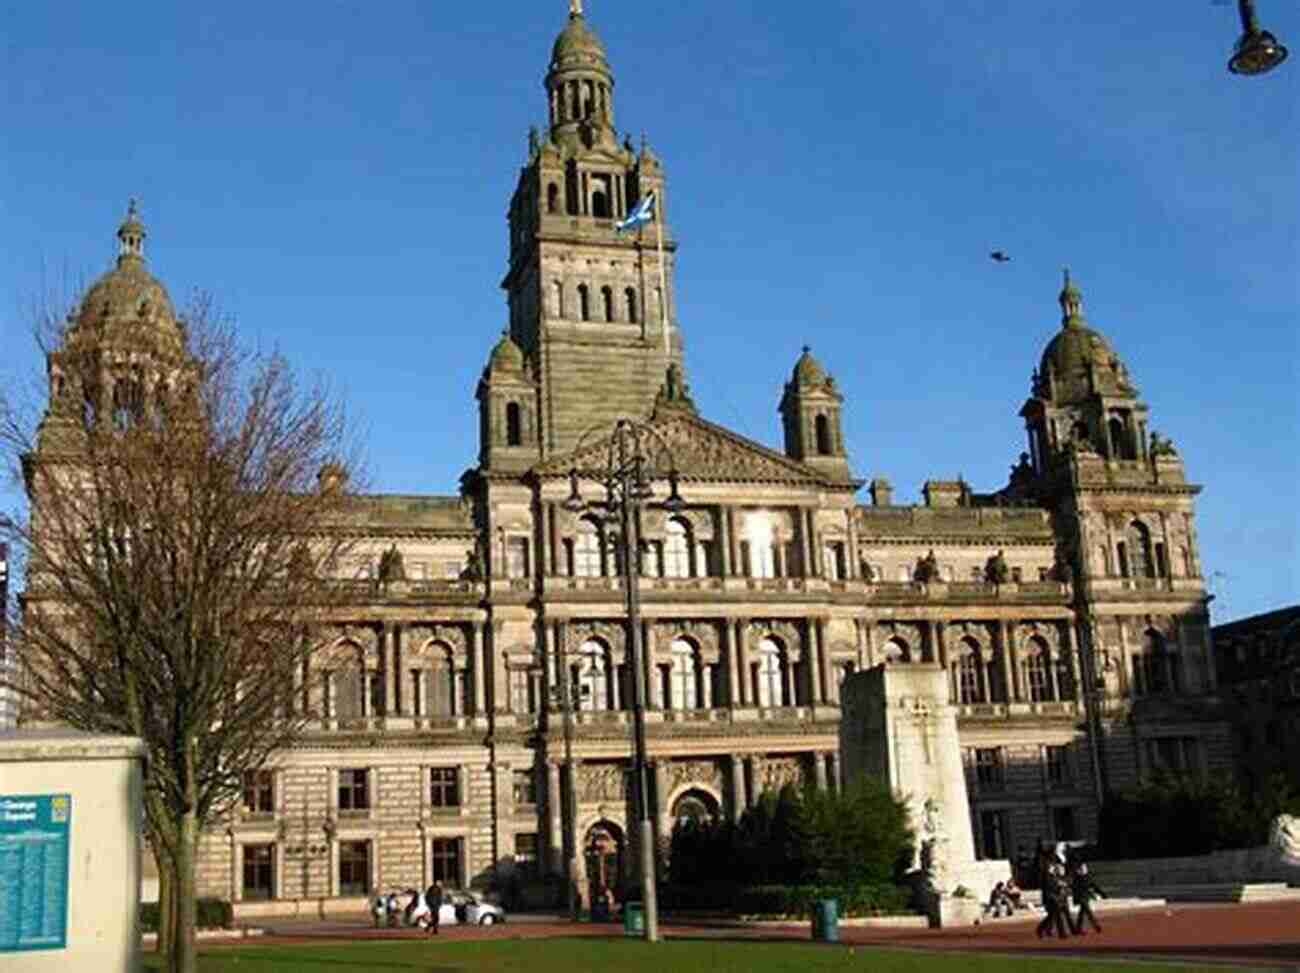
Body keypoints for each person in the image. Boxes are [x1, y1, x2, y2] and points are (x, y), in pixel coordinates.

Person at [1035, 864, 1070, 939]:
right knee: (1057, 917)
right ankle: (1062, 934)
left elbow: (1057, 885)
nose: (1053, 868)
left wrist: (1061, 886)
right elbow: (1048, 889)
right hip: (1051, 900)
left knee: (1051, 917)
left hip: (1055, 899)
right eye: (1051, 867)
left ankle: (1040, 929)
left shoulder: (1054, 876)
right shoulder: (1047, 877)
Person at [1071, 863, 1105, 935]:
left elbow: (1094, 885)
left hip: (1086, 897)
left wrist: (1101, 893)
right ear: (1080, 869)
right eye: (1083, 868)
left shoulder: (1087, 877)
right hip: (1081, 898)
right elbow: (1074, 889)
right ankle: (1096, 926)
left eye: (1085, 868)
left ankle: (1078, 929)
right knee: (1088, 912)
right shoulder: (1077, 877)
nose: (1085, 869)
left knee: (1082, 913)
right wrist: (1076, 899)